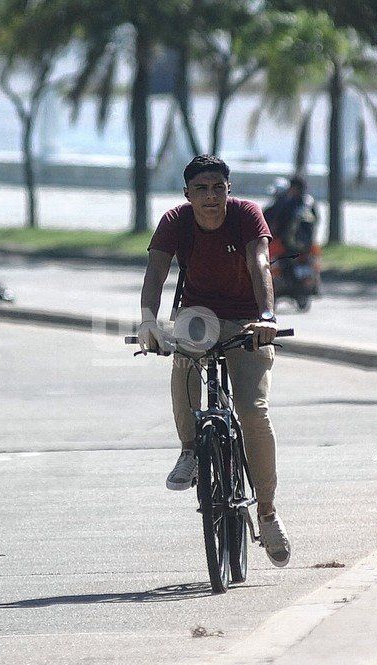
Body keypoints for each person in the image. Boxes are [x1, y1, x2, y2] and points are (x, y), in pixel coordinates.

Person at [137, 154, 290, 567]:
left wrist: (267, 317)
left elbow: (260, 262)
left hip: (247, 322)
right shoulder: (175, 221)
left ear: (229, 190)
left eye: (218, 188)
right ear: (188, 194)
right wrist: (149, 323)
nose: (210, 197)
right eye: (201, 189)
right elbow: (156, 274)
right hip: (198, 318)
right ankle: (190, 449)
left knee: (253, 412)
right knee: (183, 357)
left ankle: (268, 514)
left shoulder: (247, 216)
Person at [263, 175, 317, 254]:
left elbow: (278, 221)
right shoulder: (309, 204)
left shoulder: (288, 204)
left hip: (286, 247)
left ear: (293, 188)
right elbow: (316, 220)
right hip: (306, 245)